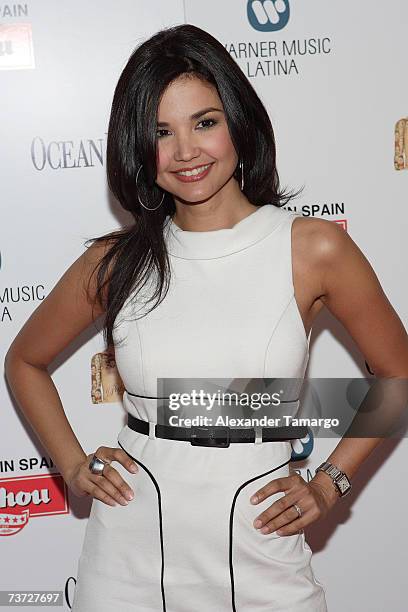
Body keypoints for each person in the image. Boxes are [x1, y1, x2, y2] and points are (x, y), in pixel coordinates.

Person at [4, 23, 408, 612]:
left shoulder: (313, 249)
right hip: (129, 555)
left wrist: (330, 483)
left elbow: (396, 374)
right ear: (137, 147)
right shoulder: (116, 263)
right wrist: (70, 463)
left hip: (262, 545)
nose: (186, 151)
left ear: (238, 122)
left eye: (205, 122)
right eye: (161, 132)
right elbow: (24, 360)